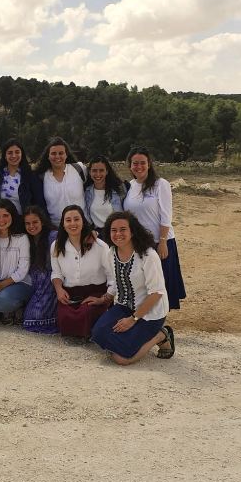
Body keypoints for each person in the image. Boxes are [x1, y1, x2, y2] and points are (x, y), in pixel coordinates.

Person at [90, 211, 174, 365]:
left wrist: (133, 319)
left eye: (123, 229)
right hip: (124, 306)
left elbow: (156, 293)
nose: (118, 234)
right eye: (114, 230)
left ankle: (161, 335)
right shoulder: (111, 253)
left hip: (150, 313)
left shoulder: (148, 255)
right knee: (98, 333)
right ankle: (129, 341)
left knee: (121, 359)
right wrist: (104, 299)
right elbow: (116, 282)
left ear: (132, 231)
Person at [123, 147, 186, 310]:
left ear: (149, 164)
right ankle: (146, 315)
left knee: (161, 283)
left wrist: (163, 242)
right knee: (144, 283)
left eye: (142, 163)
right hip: (139, 243)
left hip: (159, 241)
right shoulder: (130, 186)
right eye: (135, 163)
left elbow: (166, 215)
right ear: (130, 165)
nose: (139, 166)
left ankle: (160, 319)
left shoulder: (160, 184)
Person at [51, 205, 113, 340]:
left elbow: (112, 276)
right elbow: (56, 273)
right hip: (70, 294)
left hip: (95, 293)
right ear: (63, 224)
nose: (72, 223)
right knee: (65, 317)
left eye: (76, 219)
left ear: (83, 221)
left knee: (85, 313)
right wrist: (59, 290)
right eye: (68, 220)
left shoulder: (100, 246)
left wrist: (103, 299)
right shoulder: (56, 246)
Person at [21, 206, 58, 334]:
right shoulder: (25, 238)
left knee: (33, 317)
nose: (31, 226)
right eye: (28, 223)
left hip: (50, 279)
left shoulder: (53, 236)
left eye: (35, 222)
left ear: (42, 221)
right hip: (34, 278)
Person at [35, 137, 86, 226]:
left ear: (66, 155)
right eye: (53, 153)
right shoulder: (41, 177)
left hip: (81, 226)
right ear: (48, 156)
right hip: (55, 228)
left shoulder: (79, 169)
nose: (57, 156)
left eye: (61, 153)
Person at [0, 138, 46, 216]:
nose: (14, 156)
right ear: (5, 156)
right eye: (10, 153)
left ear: (22, 154)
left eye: (17, 152)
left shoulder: (30, 175)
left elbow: (39, 200)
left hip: (23, 219)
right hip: (3, 219)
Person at [83, 155, 125, 236]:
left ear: (107, 171)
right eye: (94, 170)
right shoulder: (86, 192)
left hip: (116, 233)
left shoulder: (119, 189)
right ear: (90, 172)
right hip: (97, 235)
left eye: (101, 170)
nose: (98, 174)